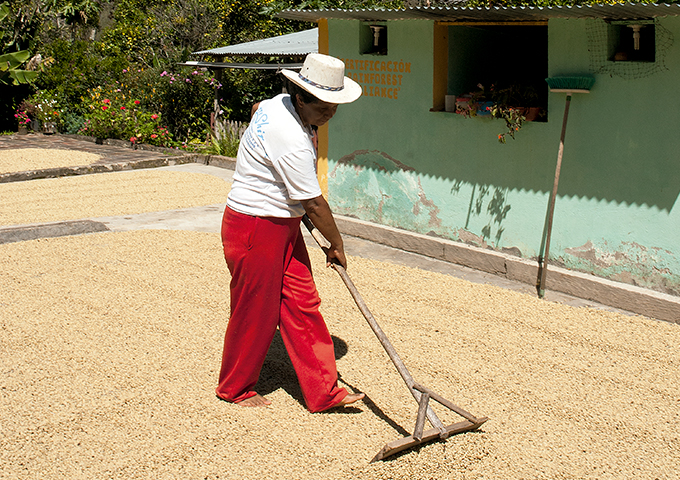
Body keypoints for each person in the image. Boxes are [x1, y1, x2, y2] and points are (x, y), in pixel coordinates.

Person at [216, 54, 365, 411]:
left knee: (302, 302)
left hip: (282, 225)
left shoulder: (278, 103)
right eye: (324, 107)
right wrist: (337, 243)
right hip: (254, 225)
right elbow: (313, 204)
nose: (330, 114)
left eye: (335, 106)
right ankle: (234, 388)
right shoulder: (292, 138)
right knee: (255, 310)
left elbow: (256, 109)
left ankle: (323, 392)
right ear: (302, 97)